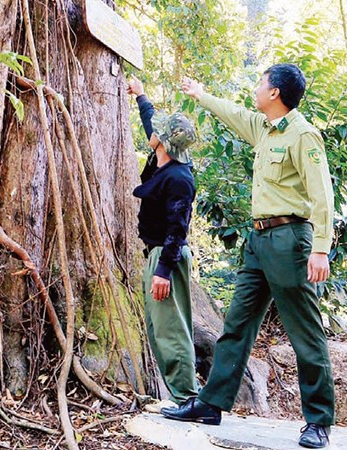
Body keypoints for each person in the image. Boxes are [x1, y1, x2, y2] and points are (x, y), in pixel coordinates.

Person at [161, 64, 335, 449]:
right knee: (237, 323)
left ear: (275, 93)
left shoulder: (303, 135)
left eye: (261, 83)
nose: (256, 89)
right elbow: (235, 114)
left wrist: (321, 248)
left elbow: (322, 194)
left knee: (304, 331)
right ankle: (210, 403)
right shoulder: (265, 129)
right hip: (257, 241)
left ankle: (319, 420)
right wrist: (200, 95)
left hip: (291, 239)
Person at [126, 77, 201, 410]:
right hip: (156, 256)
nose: (151, 132)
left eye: (157, 132)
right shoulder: (164, 161)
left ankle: (187, 398)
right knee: (160, 328)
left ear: (164, 142)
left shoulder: (179, 179)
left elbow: (178, 228)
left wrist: (163, 270)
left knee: (172, 330)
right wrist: (141, 94)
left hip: (166, 258)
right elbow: (151, 123)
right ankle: (180, 396)